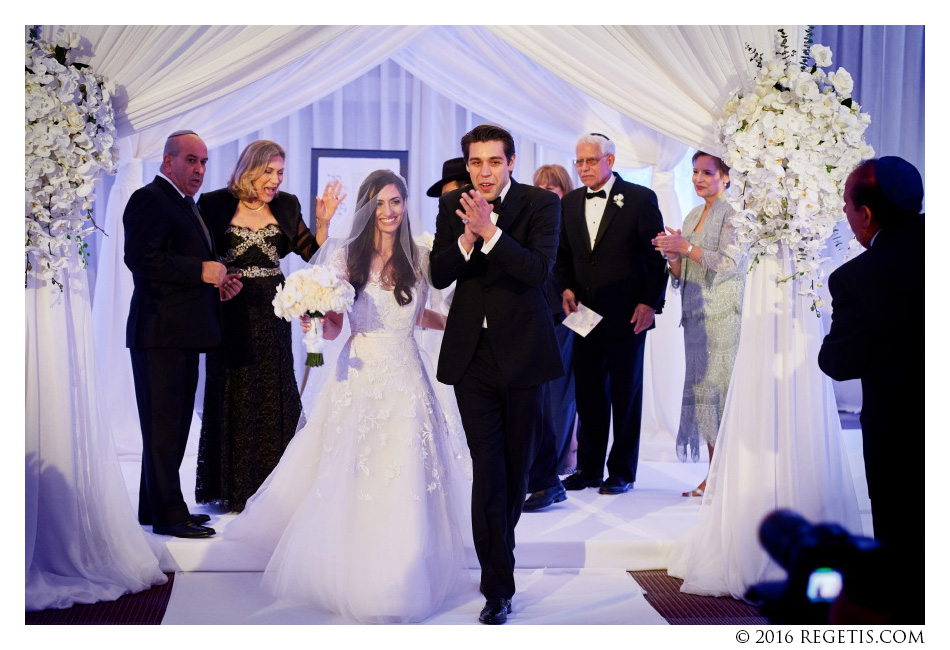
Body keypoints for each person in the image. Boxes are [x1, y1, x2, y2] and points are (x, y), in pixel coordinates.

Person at [225, 170, 471, 623]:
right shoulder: (345, 259)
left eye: (396, 201)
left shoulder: (418, 255)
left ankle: (405, 570)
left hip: (406, 377)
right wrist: (314, 320)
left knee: (407, 475)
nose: (389, 211)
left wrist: (460, 327)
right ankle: (356, 569)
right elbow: (337, 325)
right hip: (358, 375)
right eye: (380, 203)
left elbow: (418, 316)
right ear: (366, 207)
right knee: (357, 473)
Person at [431, 124, 563, 624]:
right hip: (472, 356)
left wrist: (491, 232)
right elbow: (440, 273)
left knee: (515, 469)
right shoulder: (452, 206)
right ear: (467, 165)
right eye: (475, 163)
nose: (483, 171)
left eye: (493, 162)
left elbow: (537, 271)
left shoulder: (540, 205)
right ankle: (497, 587)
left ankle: (498, 552)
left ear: (511, 162)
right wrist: (466, 239)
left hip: (525, 354)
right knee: (488, 468)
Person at [195, 140, 343, 512]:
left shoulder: (287, 205)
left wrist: (323, 222)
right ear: (250, 168)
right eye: (270, 171)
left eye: (280, 173)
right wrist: (216, 286)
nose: (276, 180)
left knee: (273, 390)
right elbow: (199, 260)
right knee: (231, 391)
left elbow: (314, 255)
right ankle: (232, 485)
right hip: (229, 312)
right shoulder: (213, 205)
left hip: (273, 314)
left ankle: (273, 485)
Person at [124, 130, 242, 538]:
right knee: (165, 428)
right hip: (159, 333)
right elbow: (141, 259)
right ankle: (170, 515)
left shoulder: (185, 204)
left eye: (204, 162)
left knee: (170, 427)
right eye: (191, 160)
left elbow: (181, 263)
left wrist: (215, 282)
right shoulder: (149, 199)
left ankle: (152, 507)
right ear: (167, 161)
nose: (199, 169)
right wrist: (200, 270)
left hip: (181, 334)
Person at [818, 156, 924, 559]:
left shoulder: (856, 278)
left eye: (846, 207)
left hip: (899, 432)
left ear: (864, 214)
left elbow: (839, 364)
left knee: (902, 537)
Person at [555, 133, 667, 495]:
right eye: (579, 162)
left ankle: (621, 472)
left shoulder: (639, 199)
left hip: (628, 314)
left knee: (625, 395)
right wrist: (566, 289)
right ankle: (588, 469)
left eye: (591, 161)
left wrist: (650, 303)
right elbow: (562, 257)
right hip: (582, 314)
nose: (584, 168)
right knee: (588, 394)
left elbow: (656, 257)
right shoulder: (569, 202)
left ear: (610, 161)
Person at [652, 152, 746, 497]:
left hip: (724, 317)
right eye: (693, 172)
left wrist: (687, 247)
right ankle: (714, 475)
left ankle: (728, 477)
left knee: (717, 396)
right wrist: (673, 254)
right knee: (703, 397)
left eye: (707, 172)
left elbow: (729, 264)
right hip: (694, 317)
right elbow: (681, 276)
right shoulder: (693, 214)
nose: (697, 178)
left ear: (726, 176)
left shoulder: (733, 214)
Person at [523, 164, 577, 511]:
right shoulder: (533, 219)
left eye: (553, 185)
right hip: (534, 314)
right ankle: (547, 467)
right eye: (540, 184)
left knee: (560, 393)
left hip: (564, 313)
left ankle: (557, 466)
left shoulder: (570, 220)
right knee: (542, 394)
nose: (545, 189)